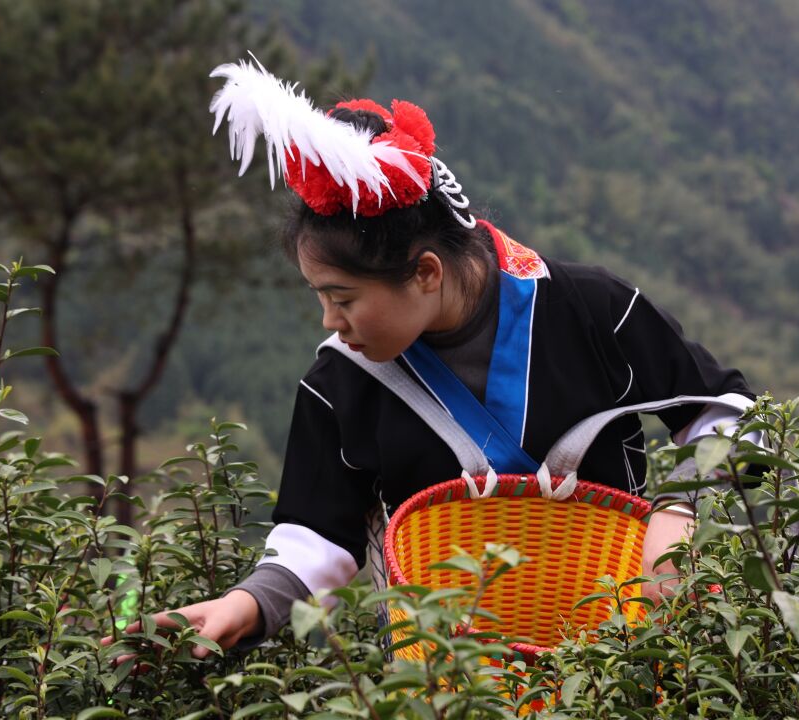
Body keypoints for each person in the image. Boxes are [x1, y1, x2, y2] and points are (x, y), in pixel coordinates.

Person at [109, 57, 759, 659]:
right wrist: (246, 603)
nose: (331, 322)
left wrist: (678, 512)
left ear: (424, 272)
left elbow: (723, 409)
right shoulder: (342, 382)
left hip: (618, 656)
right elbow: (318, 533)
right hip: (445, 675)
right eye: (320, 297)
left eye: (343, 298)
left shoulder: (588, 310)